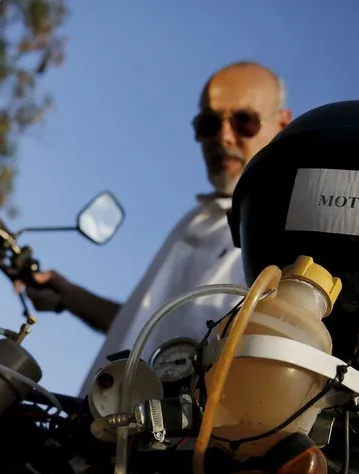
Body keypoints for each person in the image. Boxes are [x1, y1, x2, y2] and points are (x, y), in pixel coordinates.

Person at [22, 61, 292, 394]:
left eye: (244, 121)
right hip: (98, 427)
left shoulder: (286, 232)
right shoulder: (196, 218)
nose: (223, 136)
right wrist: (70, 296)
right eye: (208, 123)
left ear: (282, 124)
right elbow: (149, 332)